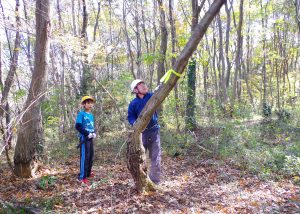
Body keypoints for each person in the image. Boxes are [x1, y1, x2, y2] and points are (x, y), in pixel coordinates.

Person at [127, 79, 161, 184]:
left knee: (156, 157)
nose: (144, 86)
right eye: (140, 85)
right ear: (135, 90)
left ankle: (154, 181)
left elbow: (159, 96)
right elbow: (130, 117)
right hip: (142, 134)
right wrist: (135, 123)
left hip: (154, 131)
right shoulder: (133, 103)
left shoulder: (152, 96)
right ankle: (142, 180)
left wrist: (159, 89)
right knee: (140, 158)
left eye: (144, 84)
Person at [75, 96, 96, 184]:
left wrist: (94, 133)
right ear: (84, 104)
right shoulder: (81, 114)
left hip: (90, 137)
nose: (90, 104)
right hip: (84, 138)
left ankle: (88, 173)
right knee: (85, 156)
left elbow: (91, 127)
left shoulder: (91, 115)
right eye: (88, 103)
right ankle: (82, 176)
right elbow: (78, 126)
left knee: (91, 155)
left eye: (91, 103)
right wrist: (87, 134)